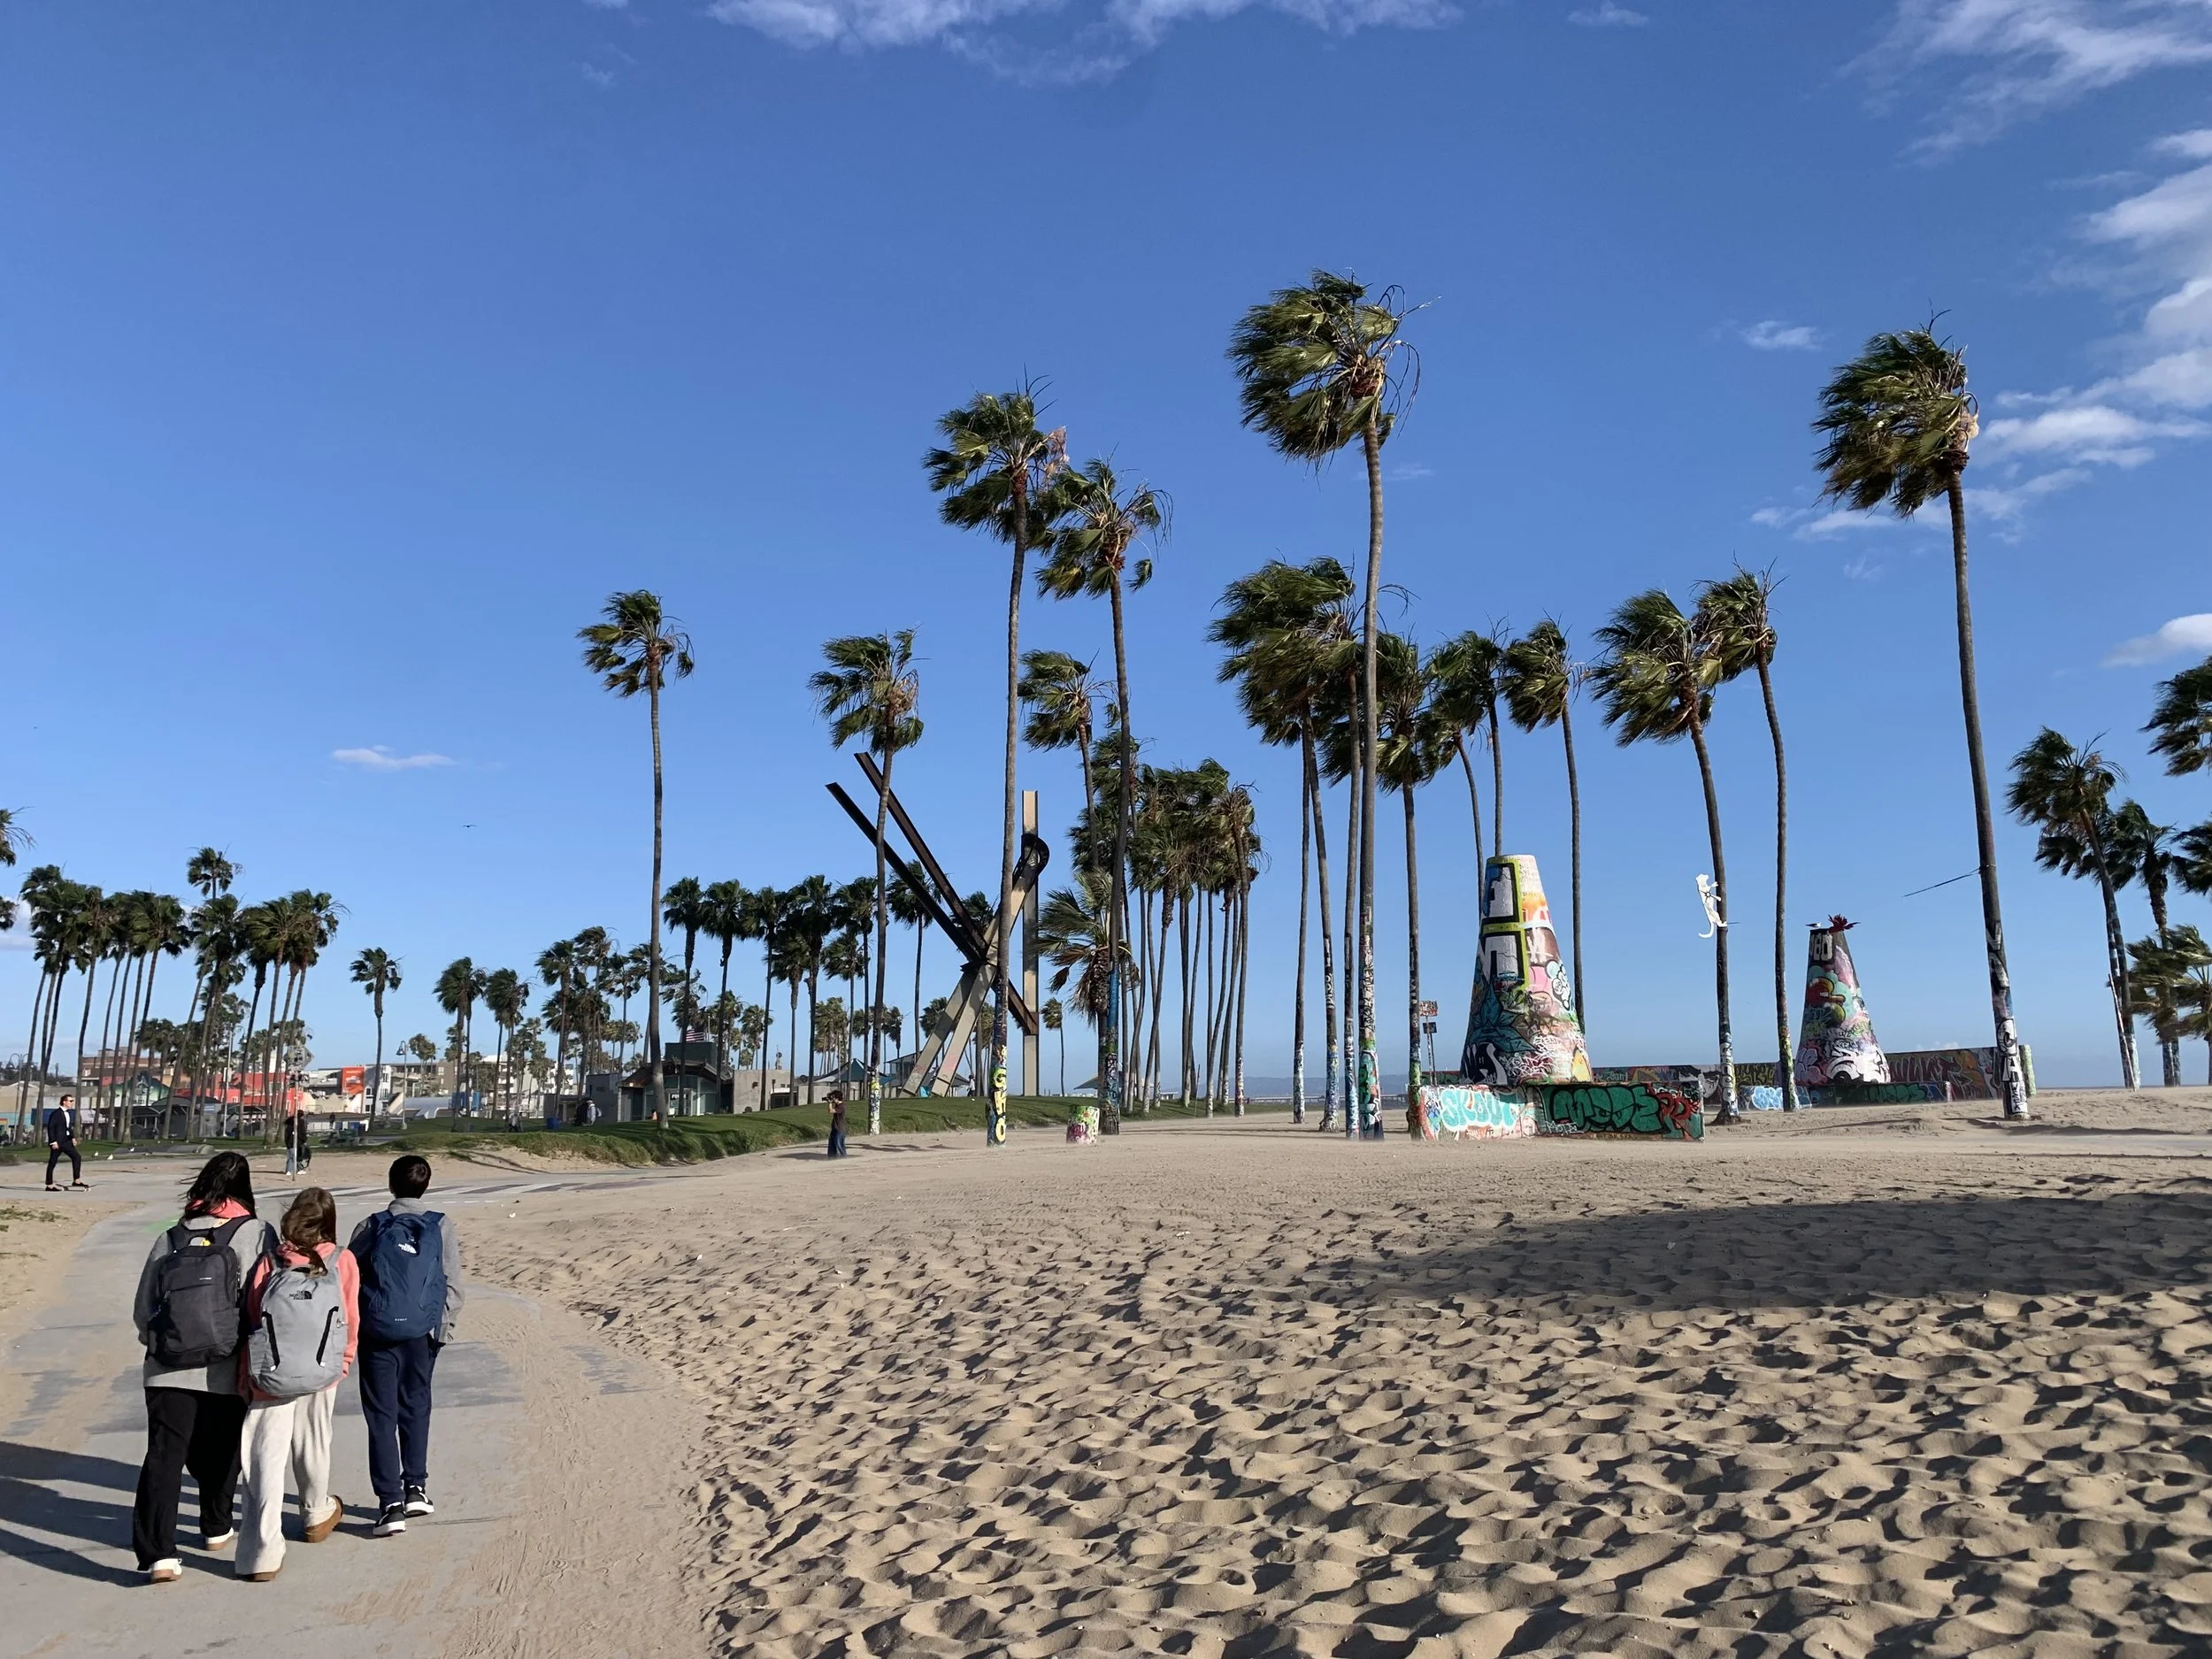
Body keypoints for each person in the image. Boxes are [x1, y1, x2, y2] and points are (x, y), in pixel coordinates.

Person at [131, 1152, 274, 1584]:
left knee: (164, 1457)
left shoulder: (172, 1235)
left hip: (166, 1367)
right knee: (224, 1448)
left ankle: (158, 1554)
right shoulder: (255, 1232)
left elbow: (143, 1309)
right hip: (226, 1366)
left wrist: (161, 1345)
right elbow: (263, 1300)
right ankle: (215, 1525)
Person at [234, 1186, 358, 1580]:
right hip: (322, 1370)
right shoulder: (342, 1260)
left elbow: (253, 1315)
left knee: (265, 1458)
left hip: (271, 1375)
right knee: (314, 1441)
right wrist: (342, 1363)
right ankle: (316, 1512)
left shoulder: (271, 1260)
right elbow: (351, 1319)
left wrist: (248, 1372)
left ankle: (264, 1551)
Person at [349, 1155, 461, 1539]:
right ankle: (416, 1487)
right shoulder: (440, 1225)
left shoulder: (372, 1225)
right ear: (425, 1186)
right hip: (421, 1333)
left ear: (391, 1184)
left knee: (381, 1415)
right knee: (416, 1406)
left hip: (377, 1333)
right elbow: (452, 1283)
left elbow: (348, 1279)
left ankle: (390, 1504)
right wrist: (441, 1331)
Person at [45, 1093, 87, 1191]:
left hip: (66, 1141)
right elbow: (51, 1128)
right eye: (70, 1101)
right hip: (58, 1142)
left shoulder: (68, 1113)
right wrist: (53, 1142)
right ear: (64, 1102)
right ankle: (49, 1185)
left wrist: (72, 1137)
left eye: (72, 1101)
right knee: (52, 1162)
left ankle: (77, 1181)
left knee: (77, 1157)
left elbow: (67, 1127)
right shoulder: (56, 1114)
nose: (72, 1103)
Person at [826, 1089, 848, 1158]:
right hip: (835, 1128)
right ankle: (832, 1158)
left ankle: (843, 1158)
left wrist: (830, 1103)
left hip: (840, 1128)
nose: (833, 1099)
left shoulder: (841, 1106)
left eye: (834, 1097)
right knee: (832, 1145)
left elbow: (830, 1111)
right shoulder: (837, 1105)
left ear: (837, 1098)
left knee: (839, 1145)